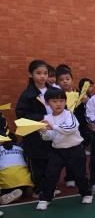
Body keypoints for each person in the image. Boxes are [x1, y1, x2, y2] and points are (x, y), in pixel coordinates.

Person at [37, 88, 93, 210]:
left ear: (65, 102)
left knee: (79, 175)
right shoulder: (47, 118)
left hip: (75, 150)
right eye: (54, 101)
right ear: (47, 103)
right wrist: (44, 131)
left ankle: (87, 194)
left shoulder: (69, 114)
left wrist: (53, 127)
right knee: (50, 175)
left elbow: (71, 128)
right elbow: (48, 137)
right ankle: (45, 199)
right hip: (57, 151)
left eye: (61, 101)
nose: (58, 104)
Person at [15, 60, 52, 196]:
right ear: (30, 74)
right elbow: (21, 114)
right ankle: (38, 189)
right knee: (37, 162)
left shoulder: (53, 91)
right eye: (38, 73)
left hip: (52, 132)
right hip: (34, 135)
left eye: (45, 73)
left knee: (51, 161)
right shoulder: (27, 94)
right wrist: (42, 117)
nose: (42, 76)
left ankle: (49, 187)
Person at [0, 134, 33, 205]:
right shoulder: (20, 149)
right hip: (23, 179)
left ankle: (4, 193)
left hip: (6, 177)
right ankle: (21, 191)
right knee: (24, 188)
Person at [75, 78, 94, 152]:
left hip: (86, 122)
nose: (91, 88)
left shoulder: (91, 97)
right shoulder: (77, 95)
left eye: (92, 86)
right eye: (90, 86)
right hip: (79, 121)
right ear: (83, 87)